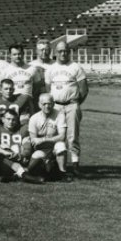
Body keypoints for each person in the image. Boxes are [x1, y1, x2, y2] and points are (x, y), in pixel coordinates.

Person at [45, 41, 87, 175]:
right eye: (60, 51)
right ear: (55, 53)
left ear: (69, 52)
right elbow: (48, 90)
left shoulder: (76, 67)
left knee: (72, 136)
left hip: (71, 105)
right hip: (56, 106)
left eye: (66, 51)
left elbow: (84, 89)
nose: (63, 53)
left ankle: (75, 165)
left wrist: (75, 103)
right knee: (54, 135)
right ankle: (55, 165)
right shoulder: (50, 69)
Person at [27, 94, 70, 181]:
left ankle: (62, 173)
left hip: (53, 148)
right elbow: (33, 140)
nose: (47, 106)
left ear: (53, 104)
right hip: (40, 149)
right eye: (44, 104)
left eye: (49, 103)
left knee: (61, 146)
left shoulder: (59, 115)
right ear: (39, 104)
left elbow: (62, 136)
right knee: (38, 161)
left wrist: (43, 139)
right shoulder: (34, 118)